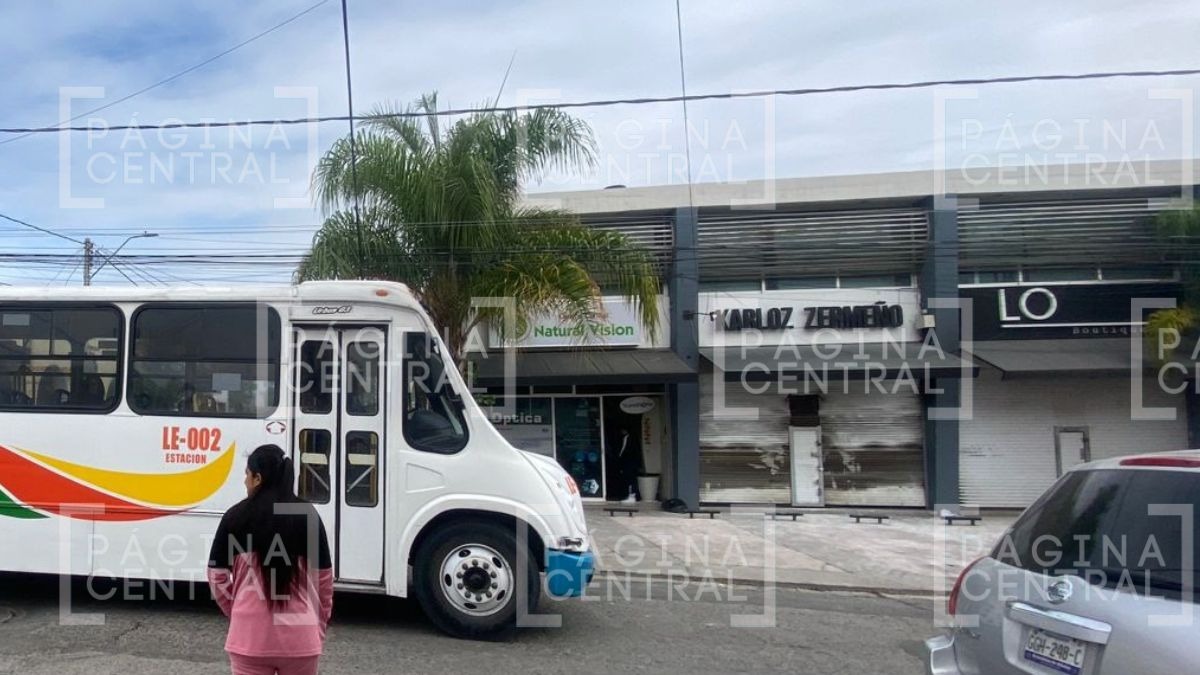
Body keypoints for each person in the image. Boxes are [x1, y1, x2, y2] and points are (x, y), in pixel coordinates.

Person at [208, 444, 334, 675]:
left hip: (249, 638)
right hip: (301, 638)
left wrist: (237, 610)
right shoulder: (308, 516)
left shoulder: (235, 516)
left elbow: (217, 576)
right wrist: (318, 626)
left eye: (247, 474)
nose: (245, 481)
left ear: (257, 478)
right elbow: (324, 582)